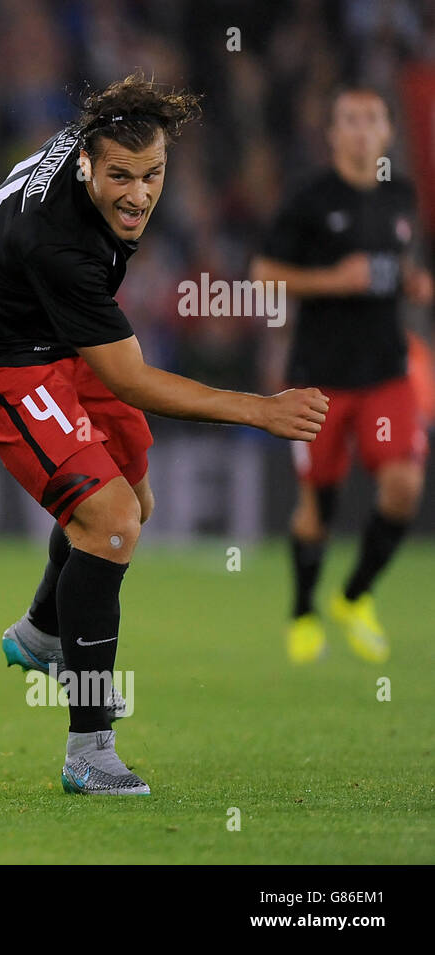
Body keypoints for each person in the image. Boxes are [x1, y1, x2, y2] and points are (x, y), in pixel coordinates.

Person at [0, 75, 329, 795]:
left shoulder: (96, 144)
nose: (139, 195)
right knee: (112, 519)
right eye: (121, 176)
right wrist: (259, 409)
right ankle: (89, 749)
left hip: (55, 337)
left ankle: (42, 632)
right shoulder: (58, 243)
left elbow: (114, 121)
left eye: (153, 175)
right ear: (85, 163)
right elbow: (133, 380)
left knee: (135, 502)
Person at [250, 86, 432, 665]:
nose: (361, 130)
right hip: (320, 379)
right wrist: (336, 280)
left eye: (372, 119)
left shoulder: (401, 195)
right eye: (349, 120)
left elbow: (399, 265)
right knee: (318, 510)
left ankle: (354, 596)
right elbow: (263, 276)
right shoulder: (309, 197)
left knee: (403, 486)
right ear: (332, 135)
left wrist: (413, 283)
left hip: (386, 372)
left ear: (386, 132)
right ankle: (303, 612)